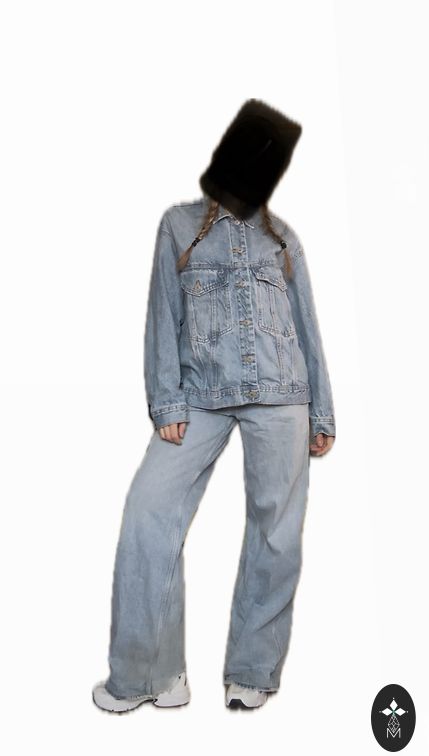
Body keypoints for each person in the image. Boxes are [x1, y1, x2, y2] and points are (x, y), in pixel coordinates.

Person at [92, 99, 336, 713]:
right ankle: (153, 675)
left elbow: (307, 327)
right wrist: (166, 399)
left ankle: (252, 670)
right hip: (199, 395)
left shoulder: (283, 238)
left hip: (282, 394)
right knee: (149, 511)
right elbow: (162, 315)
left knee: (276, 534)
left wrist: (322, 412)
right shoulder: (178, 225)